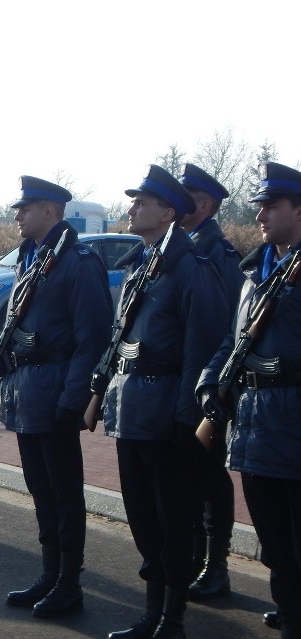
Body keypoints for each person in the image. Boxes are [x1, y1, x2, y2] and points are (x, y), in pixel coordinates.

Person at [97, 165, 230, 639]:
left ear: (168, 212)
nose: (131, 208)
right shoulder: (141, 264)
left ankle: (171, 619)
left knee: (173, 521)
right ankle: (152, 613)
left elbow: (203, 346)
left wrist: (184, 418)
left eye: (142, 202)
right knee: (143, 518)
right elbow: (122, 344)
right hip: (132, 412)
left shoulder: (192, 268)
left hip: (167, 417)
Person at [0, 177, 113, 617]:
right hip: (26, 389)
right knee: (40, 488)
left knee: (63, 492)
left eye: (26, 208)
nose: (17, 215)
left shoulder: (78, 261)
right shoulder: (31, 256)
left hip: (56, 389)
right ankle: (49, 572)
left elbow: (91, 338)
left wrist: (72, 400)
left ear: (50, 212)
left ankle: (68, 583)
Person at [197, 161, 301, 639]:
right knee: (275, 540)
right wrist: (209, 382)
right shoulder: (256, 271)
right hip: (256, 425)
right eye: (259, 206)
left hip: (293, 423)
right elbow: (231, 341)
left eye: (272, 206)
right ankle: (289, 606)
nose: (260, 215)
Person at [178, 163, 244, 603]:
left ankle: (214, 566)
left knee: (207, 478)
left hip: (210, 388)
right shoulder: (183, 248)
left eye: (184, 197)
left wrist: (215, 389)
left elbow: (231, 328)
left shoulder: (217, 253)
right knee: (187, 479)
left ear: (203, 204)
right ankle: (194, 561)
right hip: (183, 381)